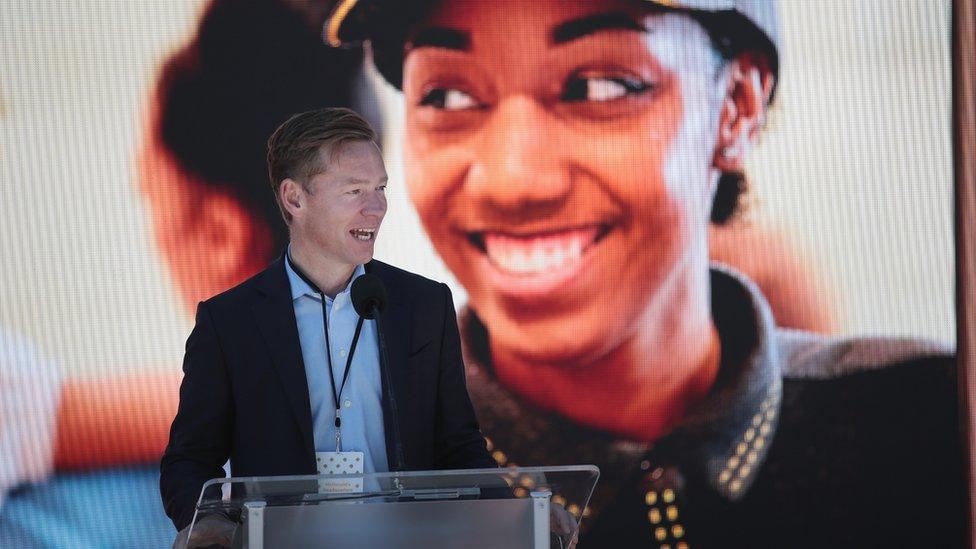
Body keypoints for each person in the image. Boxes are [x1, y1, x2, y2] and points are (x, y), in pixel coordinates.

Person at [324, 0, 967, 547]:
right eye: (449, 96)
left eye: (601, 87)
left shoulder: (932, 422)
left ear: (736, 107)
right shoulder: (332, 474)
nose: (513, 181)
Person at [159, 107, 496, 546]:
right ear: (294, 199)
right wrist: (206, 521)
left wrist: (524, 512)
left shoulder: (425, 305)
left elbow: (459, 446)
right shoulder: (230, 323)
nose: (376, 208)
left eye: (380, 188)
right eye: (354, 190)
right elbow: (189, 460)